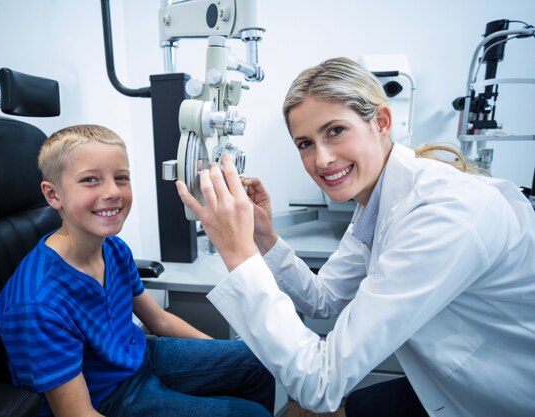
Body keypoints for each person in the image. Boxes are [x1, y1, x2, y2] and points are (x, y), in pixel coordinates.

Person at [177, 57, 535, 417]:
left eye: (335, 131)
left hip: (500, 396)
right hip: (451, 378)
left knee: (311, 406)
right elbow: (324, 299)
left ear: (381, 122)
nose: (322, 159)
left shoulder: (441, 215)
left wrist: (238, 254)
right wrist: (263, 238)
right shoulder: (377, 201)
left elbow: (321, 384)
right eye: (305, 143)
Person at [0, 124, 274, 417]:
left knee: (257, 362)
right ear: (53, 195)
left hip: (140, 357)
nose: (113, 192)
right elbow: (77, 413)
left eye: (121, 178)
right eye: (90, 180)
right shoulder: (38, 303)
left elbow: (159, 320)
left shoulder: (113, 249)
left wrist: (223, 357)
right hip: (107, 398)